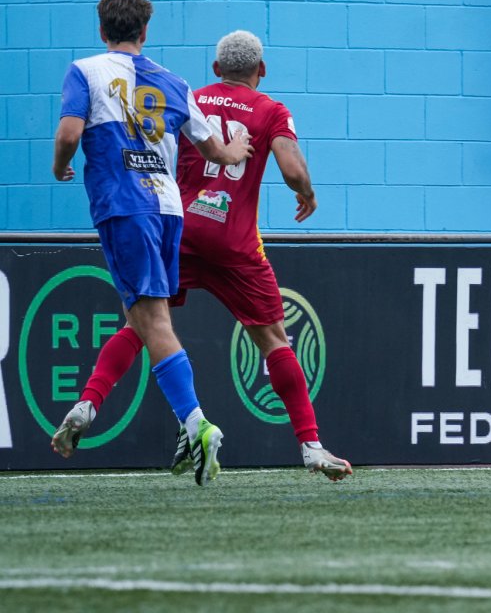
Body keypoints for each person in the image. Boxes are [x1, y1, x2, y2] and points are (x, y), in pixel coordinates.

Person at [61, 31, 352, 482]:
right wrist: (307, 193)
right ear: (262, 70)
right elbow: (292, 169)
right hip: (233, 243)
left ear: (216, 70)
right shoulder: (271, 110)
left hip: (180, 229)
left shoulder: (190, 96)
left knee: (143, 323)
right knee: (274, 339)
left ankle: (89, 402)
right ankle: (311, 447)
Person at [50, 0, 252, 486]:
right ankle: (89, 405)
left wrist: (60, 167)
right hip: (167, 208)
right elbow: (218, 153)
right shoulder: (175, 82)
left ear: (102, 31)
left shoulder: (86, 71)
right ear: (145, 33)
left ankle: (196, 424)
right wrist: (239, 146)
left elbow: (70, 134)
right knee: (144, 319)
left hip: (124, 207)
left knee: (151, 321)